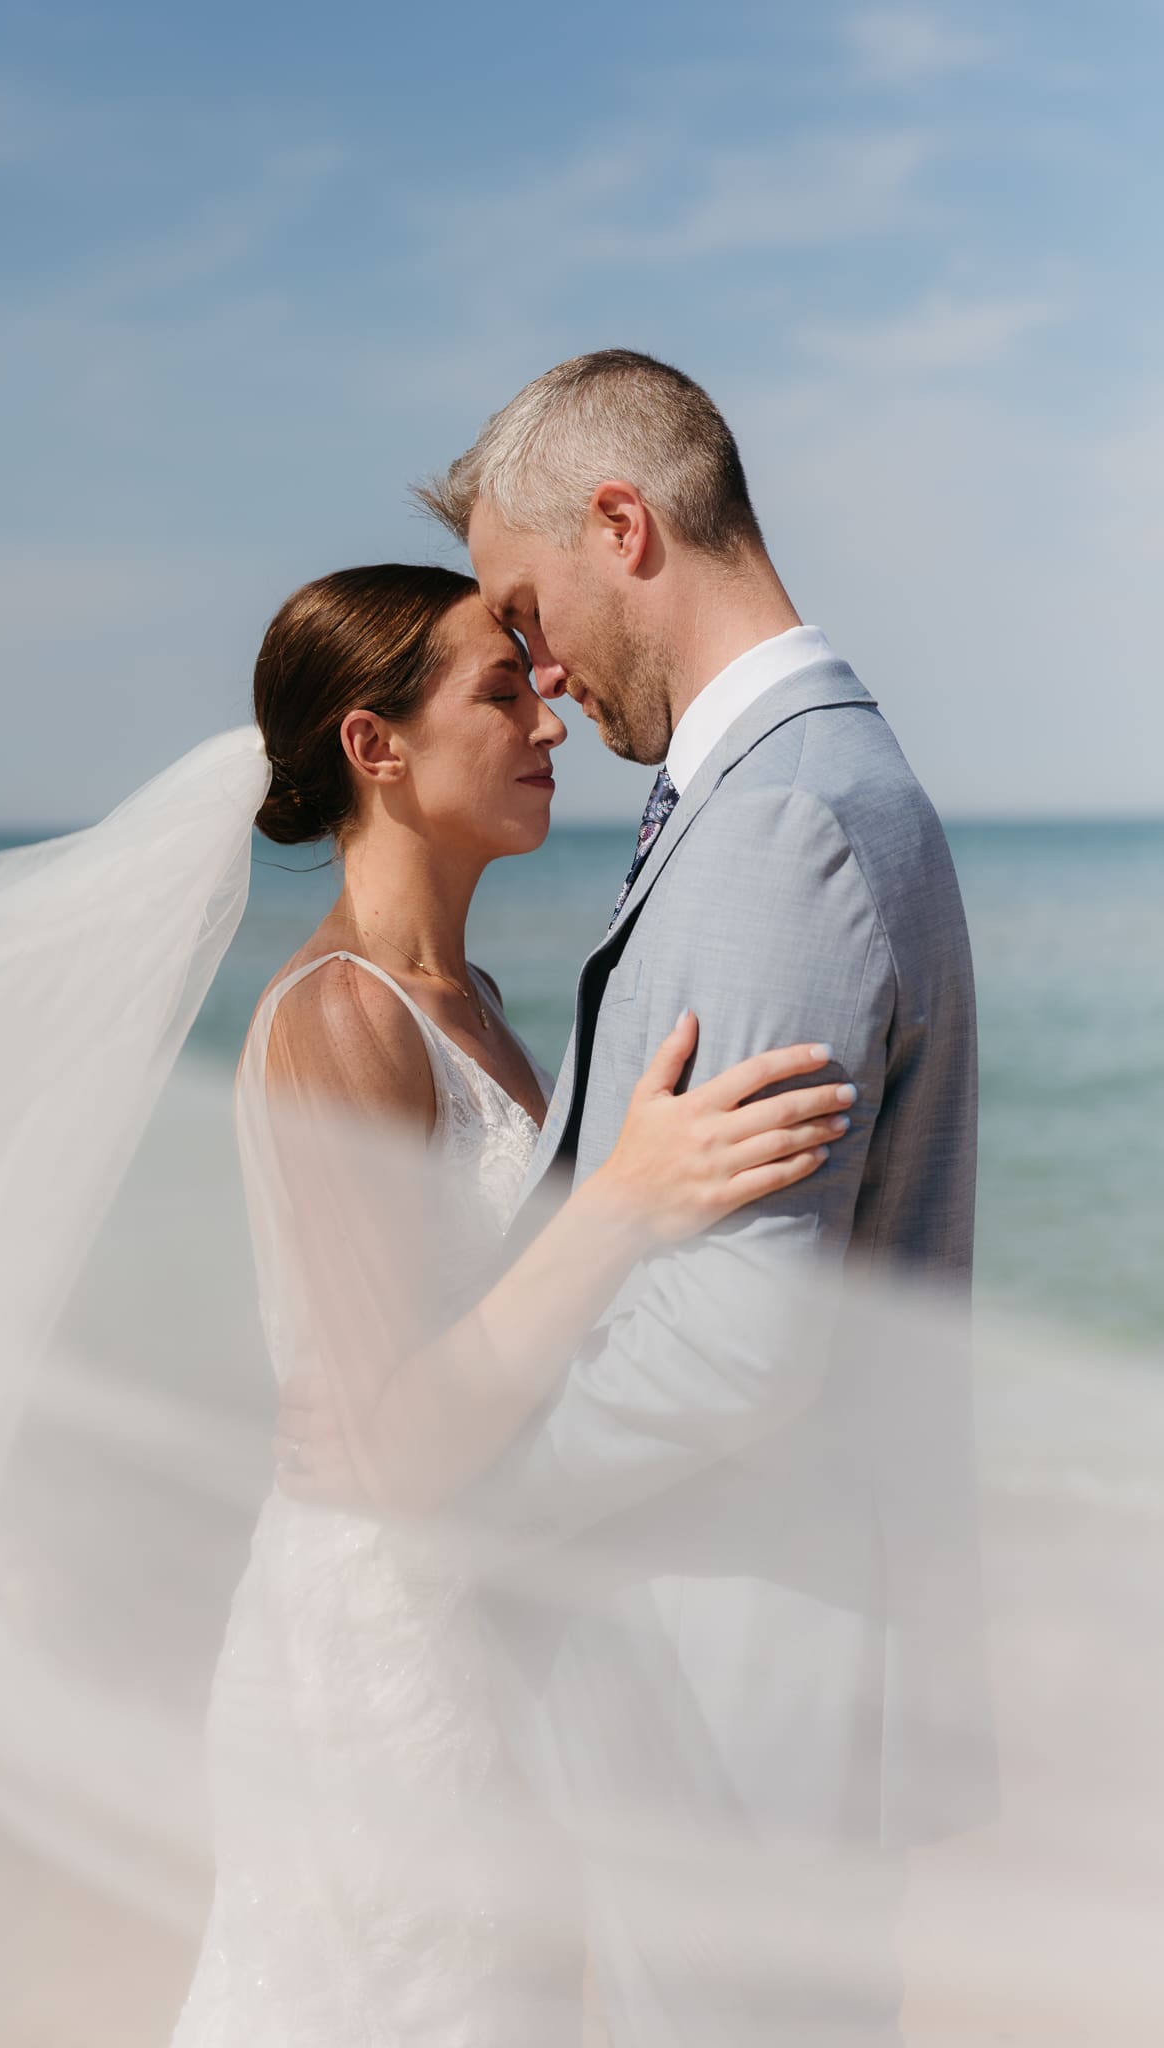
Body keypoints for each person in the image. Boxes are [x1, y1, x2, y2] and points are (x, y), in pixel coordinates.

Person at [282, 353, 996, 2043]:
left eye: (527, 612)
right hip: (729, 1702)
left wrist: (449, 1507)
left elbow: (737, 1343)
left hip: (745, 1705)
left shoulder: (783, 827)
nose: (534, 675)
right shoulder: (790, 793)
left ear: (623, 523)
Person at [167, 561, 857, 2045]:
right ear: (376, 746)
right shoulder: (336, 1018)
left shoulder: (461, 1001)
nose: (547, 716)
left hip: (491, 1617)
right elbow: (400, 1443)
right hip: (380, 1664)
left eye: (539, 684)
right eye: (500, 689)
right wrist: (624, 1200)